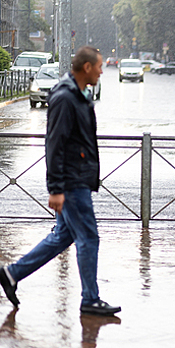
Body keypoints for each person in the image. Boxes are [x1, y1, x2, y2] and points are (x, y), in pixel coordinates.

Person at [0, 46, 121, 316]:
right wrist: (55, 189)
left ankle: (11, 274)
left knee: (62, 237)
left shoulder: (78, 94)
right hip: (71, 181)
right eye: (99, 66)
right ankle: (90, 299)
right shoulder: (66, 97)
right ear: (87, 67)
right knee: (88, 238)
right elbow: (54, 143)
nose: (103, 70)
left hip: (76, 178)